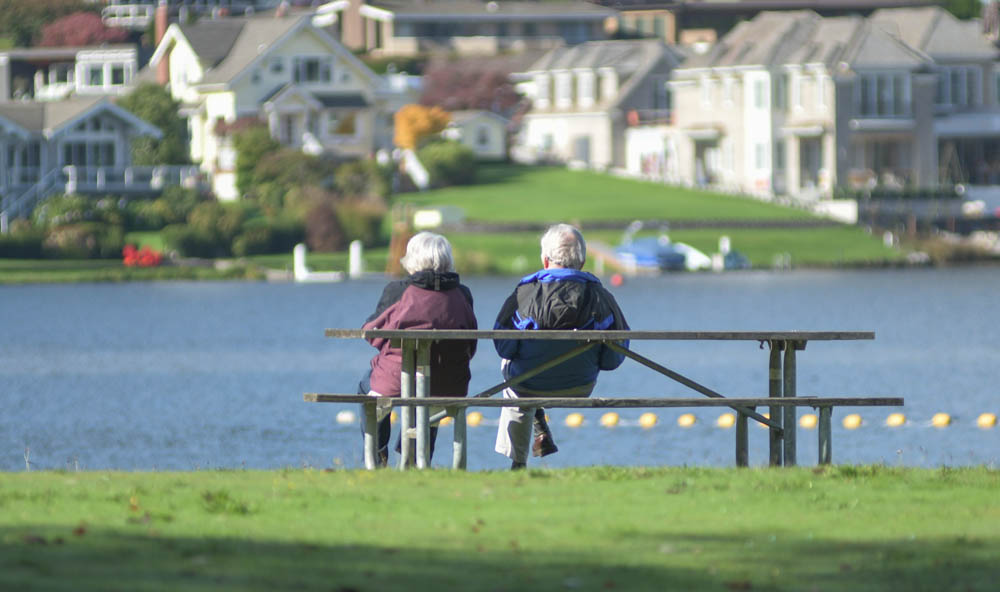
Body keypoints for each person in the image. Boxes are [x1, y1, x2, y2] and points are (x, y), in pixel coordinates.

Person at [493, 224, 629, 469]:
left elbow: (503, 347)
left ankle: (518, 462)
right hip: (580, 385)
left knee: (511, 377)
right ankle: (536, 426)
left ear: (545, 260)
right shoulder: (601, 297)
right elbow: (614, 358)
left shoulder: (524, 294)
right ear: (583, 260)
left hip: (528, 384)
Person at [358, 232, 477, 466]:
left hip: (395, 383)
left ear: (412, 259)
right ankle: (414, 459)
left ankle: (378, 456)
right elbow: (470, 343)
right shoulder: (462, 294)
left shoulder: (398, 291)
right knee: (429, 395)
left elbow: (370, 333)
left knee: (366, 389)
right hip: (449, 384)